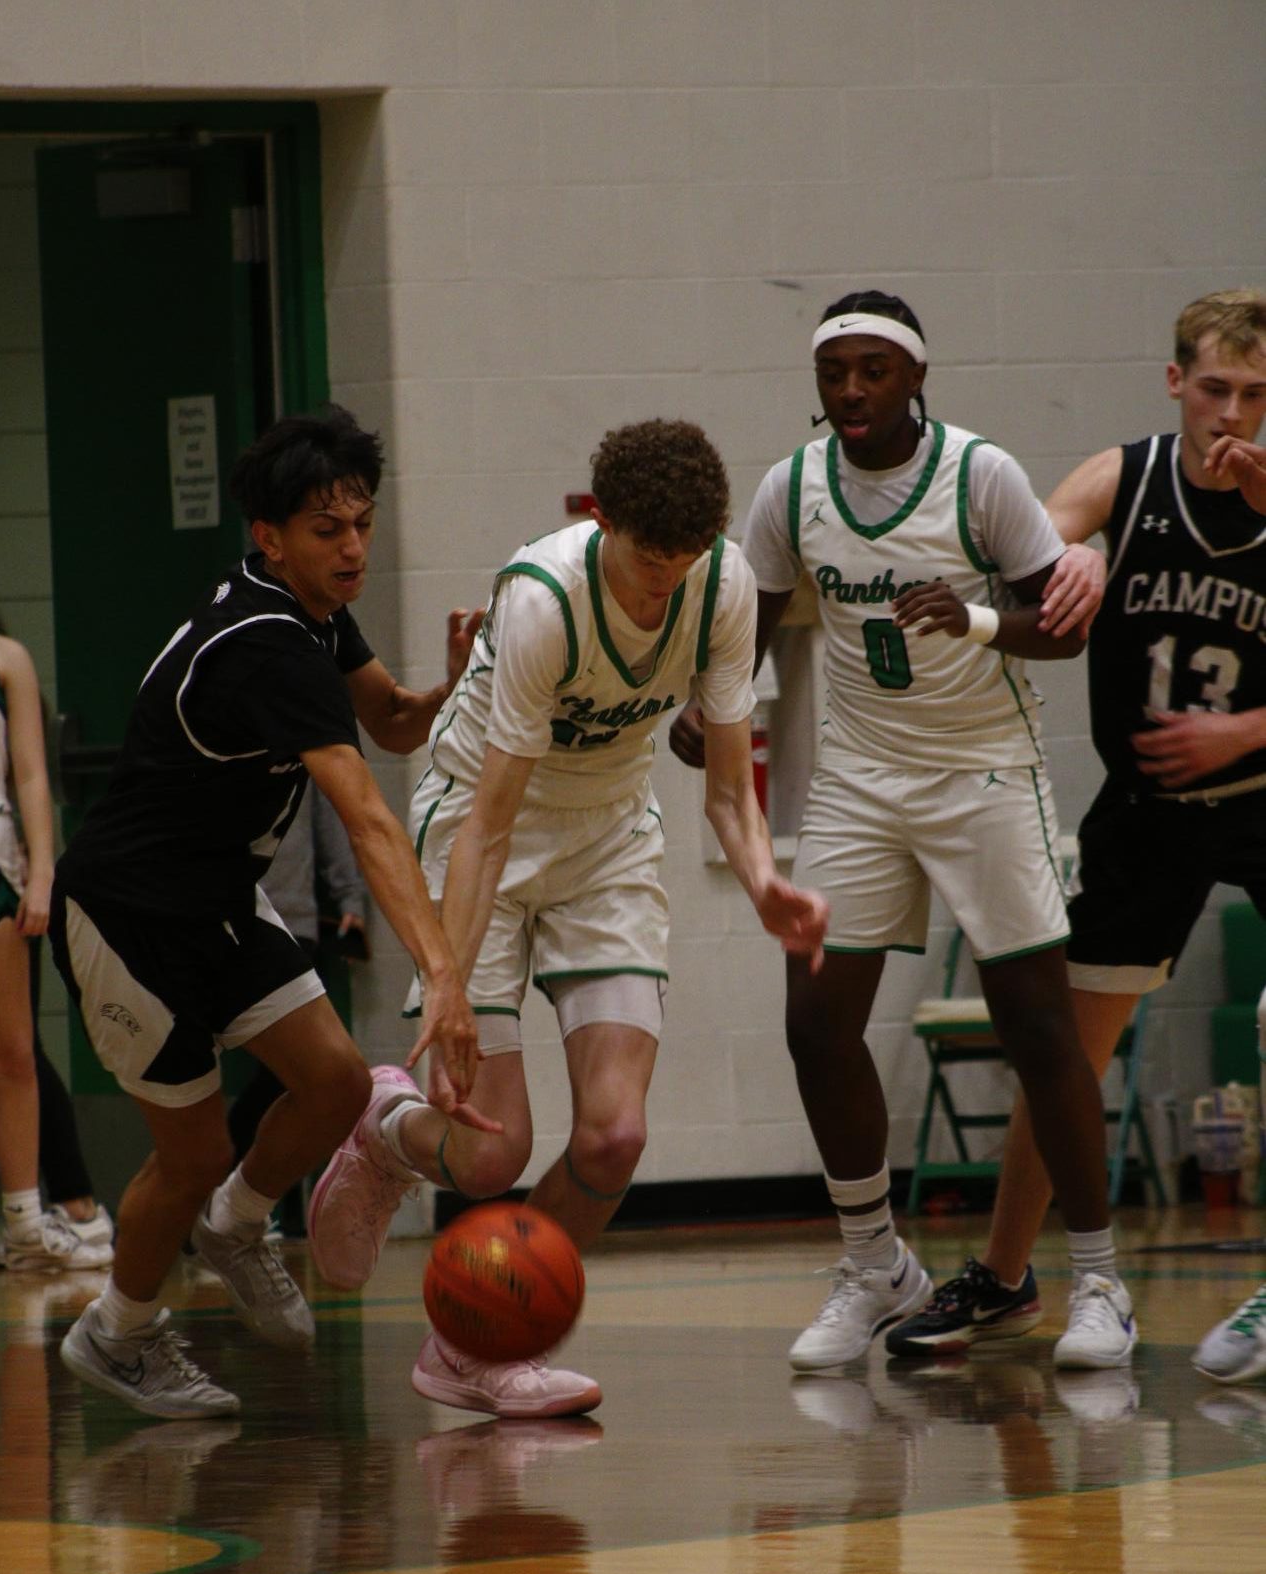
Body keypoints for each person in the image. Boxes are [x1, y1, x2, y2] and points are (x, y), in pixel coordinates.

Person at [307, 418, 829, 1419]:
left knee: (614, 1139)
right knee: (489, 1152)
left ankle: (477, 1343)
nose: (657, 590)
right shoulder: (543, 597)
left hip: (608, 835)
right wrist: (448, 990)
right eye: (644, 564)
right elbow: (490, 826)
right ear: (603, 523)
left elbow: (727, 793)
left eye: (678, 567)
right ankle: (385, 1130)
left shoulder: (718, 590)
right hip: (482, 826)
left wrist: (764, 886)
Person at [675, 289, 1130, 1375]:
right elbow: (748, 627)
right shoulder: (791, 488)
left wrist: (972, 619)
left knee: (1036, 1028)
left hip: (982, 771)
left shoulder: (980, 474)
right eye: (834, 372)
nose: (850, 391)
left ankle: (1100, 1279)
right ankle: (872, 1263)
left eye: (872, 371)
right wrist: (708, 714)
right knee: (813, 1025)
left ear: (915, 376)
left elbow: (1058, 633)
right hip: (857, 779)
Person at [48, 404, 482, 1422]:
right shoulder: (265, 641)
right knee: (192, 1153)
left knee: (332, 1084)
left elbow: (386, 720)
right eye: (328, 531)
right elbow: (368, 817)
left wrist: (446, 690)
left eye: (362, 524)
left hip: (217, 901)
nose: (352, 548)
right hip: (128, 915)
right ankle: (116, 1335)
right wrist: (445, 974)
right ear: (268, 536)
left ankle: (237, 1227)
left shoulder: (315, 613)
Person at [880, 294, 1266, 1379]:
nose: (1230, 412)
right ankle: (1004, 1277)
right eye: (1213, 389)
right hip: (1145, 814)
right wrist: (1067, 565)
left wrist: (1239, 729)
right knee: (1061, 1053)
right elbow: (1022, 565)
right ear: (1172, 382)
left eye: (1252, 394)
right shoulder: (1121, 478)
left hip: (1261, 795)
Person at [0, 514, 111, 1284]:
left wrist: (43, 870)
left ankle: (25, 1223)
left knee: (11, 1055)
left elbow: (33, 775)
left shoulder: (3, 657)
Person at [226, 781, 366, 1231]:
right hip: (222, 916)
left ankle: (242, 1200)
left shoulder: (298, 725)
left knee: (296, 1075)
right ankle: (227, 1196)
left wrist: (349, 896)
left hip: (294, 919)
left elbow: (330, 814)